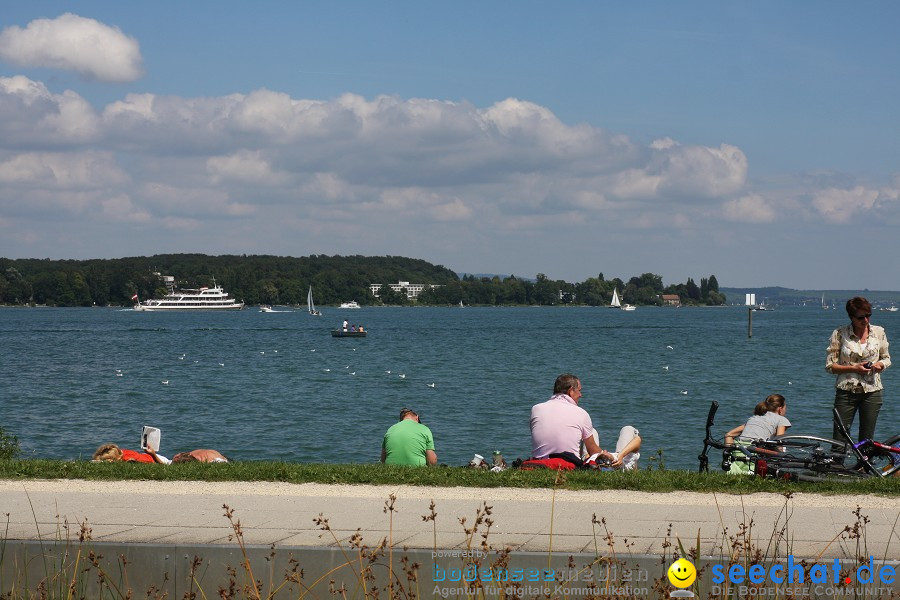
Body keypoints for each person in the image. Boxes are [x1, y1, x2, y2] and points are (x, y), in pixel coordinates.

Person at [530, 373, 641, 470]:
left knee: (591, 432)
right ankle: (633, 476)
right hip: (568, 463)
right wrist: (604, 454)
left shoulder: (536, 409)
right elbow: (594, 452)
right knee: (629, 431)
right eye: (579, 390)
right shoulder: (581, 413)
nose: (581, 395)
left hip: (539, 462)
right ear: (570, 391)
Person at [826, 297, 891, 441]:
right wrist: (854, 368)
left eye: (868, 315)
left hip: (872, 391)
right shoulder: (839, 334)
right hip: (846, 391)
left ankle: (863, 464)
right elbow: (830, 366)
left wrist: (880, 365)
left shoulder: (879, 332)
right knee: (839, 438)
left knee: (867, 440)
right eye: (861, 317)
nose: (866, 320)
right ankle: (837, 463)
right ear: (851, 317)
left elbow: (886, 358)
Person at [725, 394, 791, 444]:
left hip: (740, 451)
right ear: (780, 409)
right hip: (756, 452)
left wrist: (728, 453)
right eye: (785, 407)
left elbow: (729, 434)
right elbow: (779, 441)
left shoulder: (755, 418)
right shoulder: (781, 419)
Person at [92, 443, 170, 464]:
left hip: (156, 460)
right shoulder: (121, 451)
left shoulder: (128, 460)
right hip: (147, 456)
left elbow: (162, 466)